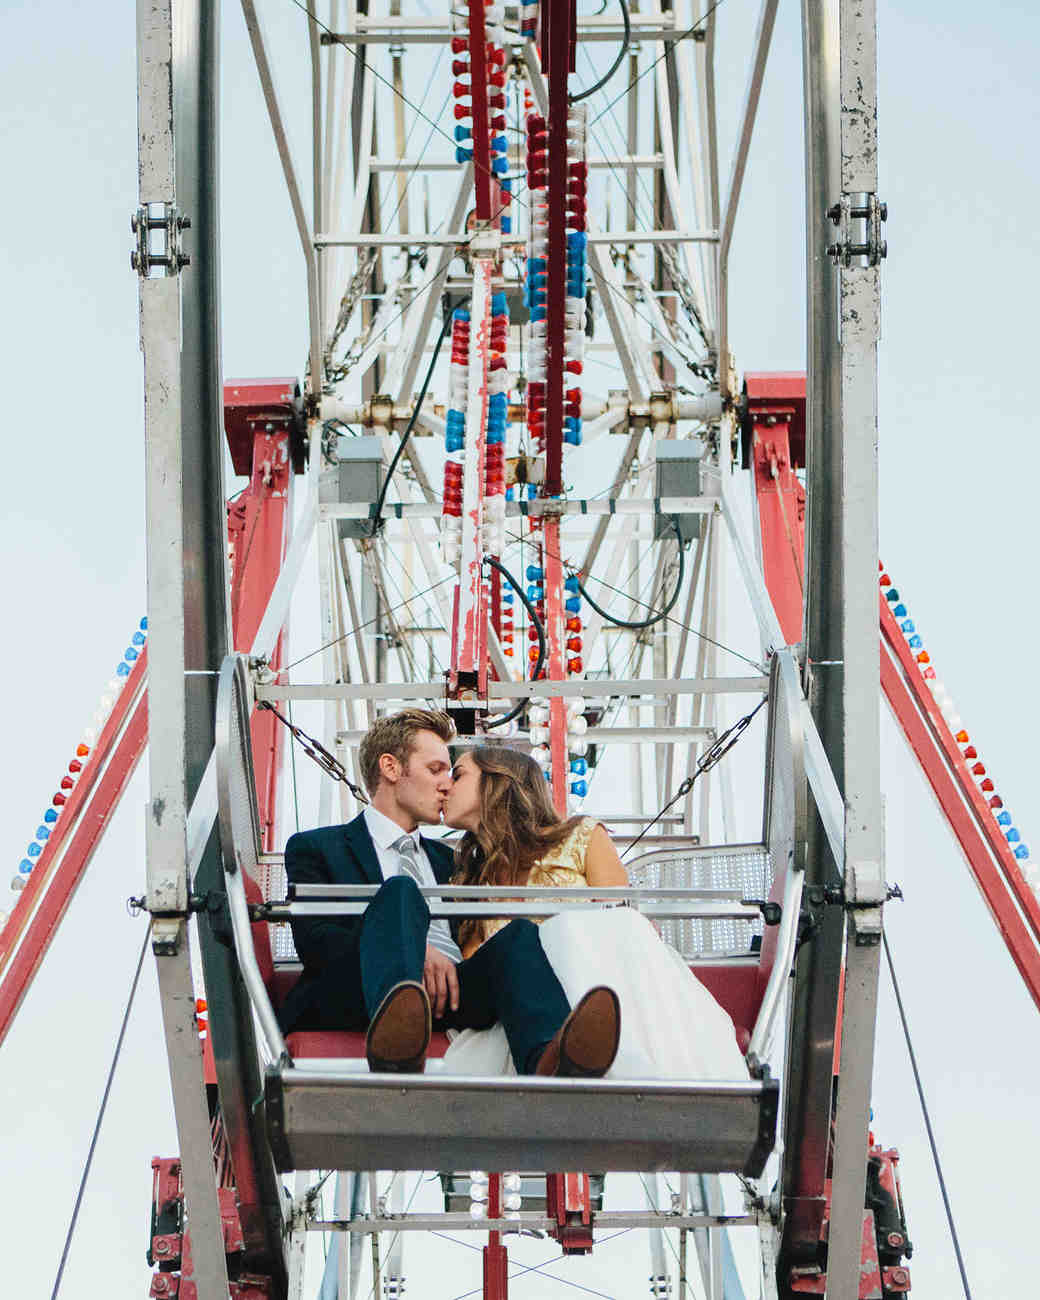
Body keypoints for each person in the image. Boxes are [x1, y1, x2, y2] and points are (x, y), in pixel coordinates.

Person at [277, 708, 620, 1076]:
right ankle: (397, 1030)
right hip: (359, 991)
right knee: (401, 892)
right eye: (435, 769)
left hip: (451, 994)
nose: (446, 785)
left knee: (518, 934)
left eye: (451, 773)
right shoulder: (317, 847)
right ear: (391, 768)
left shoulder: (452, 862)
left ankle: (549, 1061)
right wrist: (409, 949)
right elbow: (315, 942)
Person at [439, 746, 749, 1081]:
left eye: (458, 775)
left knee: (587, 928)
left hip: (602, 985)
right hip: (527, 1018)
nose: (445, 786)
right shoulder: (468, 881)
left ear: (499, 781)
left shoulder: (582, 837)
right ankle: (560, 1055)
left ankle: (595, 1044)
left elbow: (620, 922)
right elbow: (479, 967)